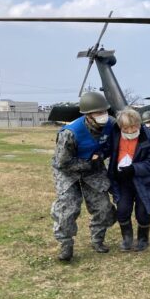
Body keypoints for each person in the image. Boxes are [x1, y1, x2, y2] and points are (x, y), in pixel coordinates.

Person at [51, 91, 116, 262]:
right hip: (68, 171)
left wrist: (100, 156)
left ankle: (97, 240)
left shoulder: (111, 125)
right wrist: (88, 162)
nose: (103, 115)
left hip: (93, 168)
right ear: (88, 115)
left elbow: (112, 145)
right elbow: (63, 162)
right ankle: (66, 245)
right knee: (68, 208)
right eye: (98, 112)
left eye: (104, 111)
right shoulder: (70, 133)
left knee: (103, 207)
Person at [107, 108, 150, 252]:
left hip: (144, 181)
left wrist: (134, 168)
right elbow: (107, 150)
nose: (131, 131)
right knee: (122, 209)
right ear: (120, 126)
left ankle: (143, 238)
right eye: (126, 128)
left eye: (134, 126)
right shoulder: (114, 135)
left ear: (139, 124)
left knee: (143, 211)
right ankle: (127, 238)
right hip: (122, 180)